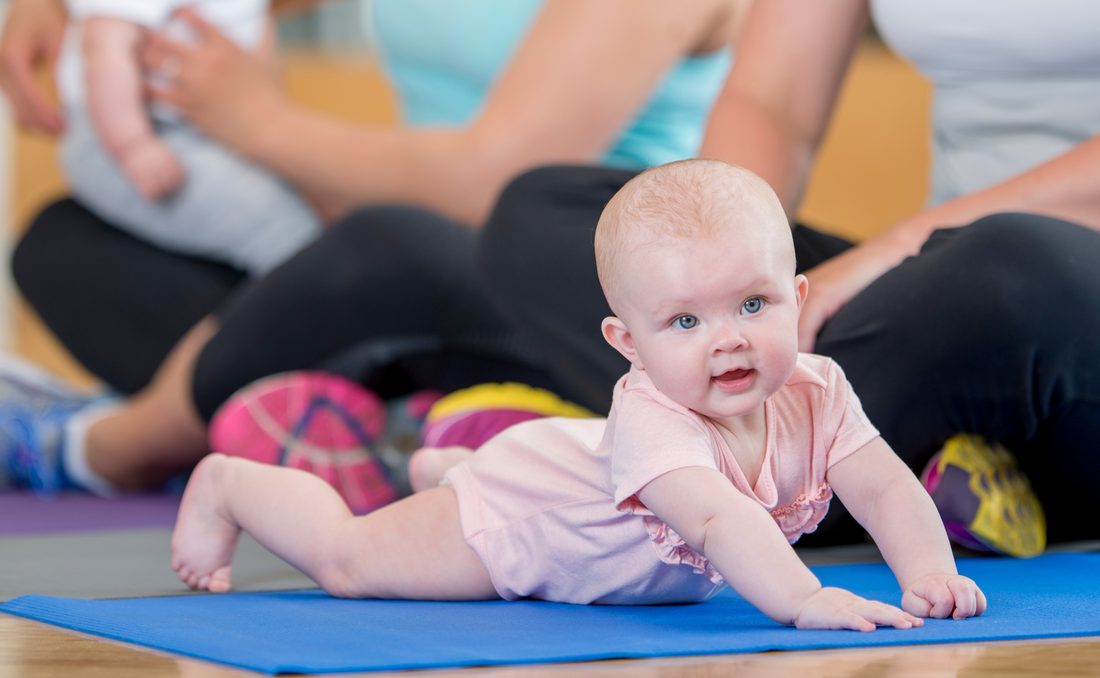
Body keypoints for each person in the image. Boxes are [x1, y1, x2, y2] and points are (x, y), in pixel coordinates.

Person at [170, 161, 986, 628]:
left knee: (515, 466)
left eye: (752, 305)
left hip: (573, 467)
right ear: (627, 345)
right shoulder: (654, 415)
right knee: (352, 563)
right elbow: (720, 519)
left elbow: (882, 485)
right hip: (524, 521)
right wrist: (805, 601)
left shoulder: (820, 387)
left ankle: (439, 462)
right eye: (684, 321)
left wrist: (927, 575)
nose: (728, 337)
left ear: (798, 299)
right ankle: (231, 485)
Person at [0, 0, 742, 497]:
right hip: (417, 278)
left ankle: (103, 446)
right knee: (66, 242)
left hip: (588, 304)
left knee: (386, 243)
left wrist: (260, 123)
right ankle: (401, 426)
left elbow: (499, 184)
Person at [476, 0, 1100, 554]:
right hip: (938, 290)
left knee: (1011, 268)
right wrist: (731, 271)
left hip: (1035, 284)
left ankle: (627, 472)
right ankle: (877, 474)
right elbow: (771, 100)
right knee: (542, 212)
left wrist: (892, 252)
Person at [58, 0, 319, 276]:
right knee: (279, 225)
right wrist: (133, 145)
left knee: (307, 206)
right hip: (132, 139)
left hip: (216, 133)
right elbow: (104, 51)